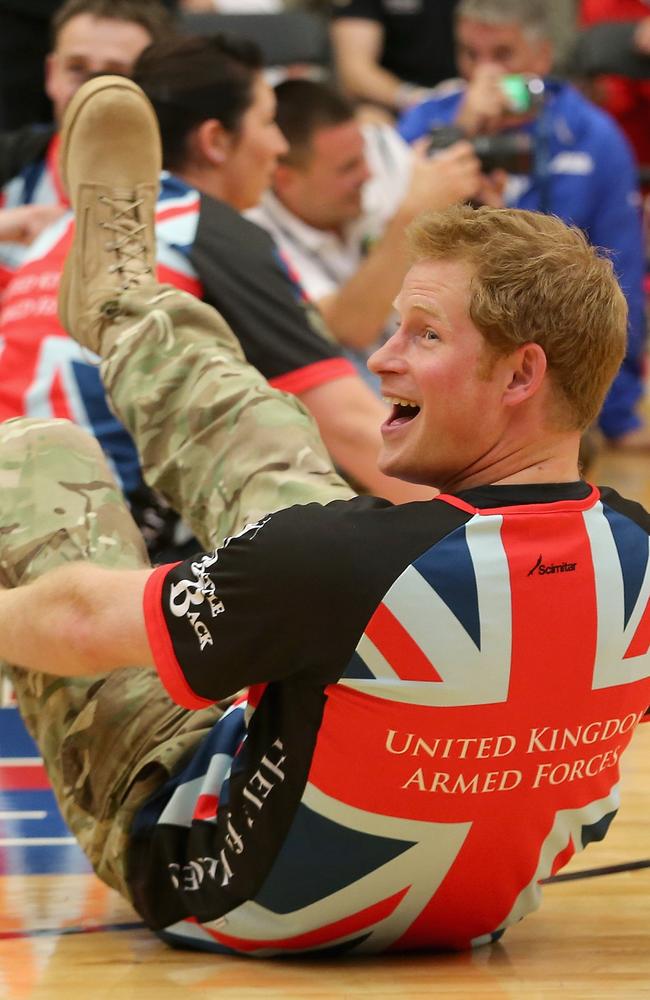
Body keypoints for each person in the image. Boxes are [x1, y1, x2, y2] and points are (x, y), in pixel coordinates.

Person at [1, 75, 649, 956]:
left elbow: (77, 625)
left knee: (41, 458)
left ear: (521, 375)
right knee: (281, 465)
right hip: (477, 914)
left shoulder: (340, 565)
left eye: (422, 334)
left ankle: (124, 306)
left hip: (218, 880)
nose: (380, 358)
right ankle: (123, 304)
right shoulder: (638, 554)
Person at [397, 0, 649, 452]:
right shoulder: (427, 121)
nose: (484, 74)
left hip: (554, 372)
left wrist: (619, 413)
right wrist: (462, 131)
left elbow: (621, 278)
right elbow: (386, 243)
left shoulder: (594, 135)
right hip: (441, 361)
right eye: (471, 55)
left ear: (543, 57)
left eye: (503, 55)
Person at [247, 78, 491, 389]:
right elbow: (349, 327)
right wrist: (411, 216)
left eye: (363, 154)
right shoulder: (253, 232)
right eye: (348, 168)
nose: (368, 173)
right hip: (364, 389)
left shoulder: (383, 148)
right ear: (285, 180)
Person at [0, 0, 174, 289]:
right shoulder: (11, 160)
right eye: (77, 68)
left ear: (155, 85)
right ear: (51, 75)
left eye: (115, 73)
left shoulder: (183, 189)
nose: (91, 90)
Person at [329, 0, 459, 116]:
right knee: (368, 120)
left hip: (461, 93)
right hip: (390, 102)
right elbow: (355, 71)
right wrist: (415, 98)